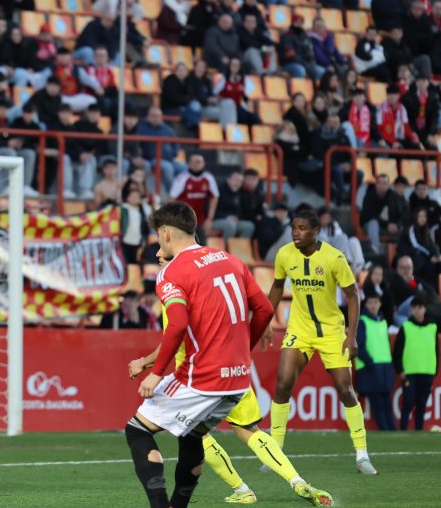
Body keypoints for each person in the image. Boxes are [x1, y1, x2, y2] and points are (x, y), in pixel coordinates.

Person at [125, 202, 326, 508]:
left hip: (201, 375)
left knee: (137, 430)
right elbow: (265, 309)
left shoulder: (172, 273)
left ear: (165, 234)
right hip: (238, 378)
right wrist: (244, 349)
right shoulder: (231, 260)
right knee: (195, 434)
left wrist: (155, 372)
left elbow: (176, 326)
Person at [267, 209, 376, 474]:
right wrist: (265, 322)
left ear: (315, 232)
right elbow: (278, 286)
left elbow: (353, 295)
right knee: (282, 384)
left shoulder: (334, 257)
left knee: (345, 388)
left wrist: (351, 335)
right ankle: (274, 453)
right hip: (300, 329)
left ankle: (362, 455)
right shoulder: (285, 254)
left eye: (302, 228)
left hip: (331, 332)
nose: (296, 233)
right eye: (294, 228)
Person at [393, 297, 438, 431]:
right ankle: (403, 429)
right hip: (409, 371)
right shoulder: (406, 327)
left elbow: (436, 350)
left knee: (422, 403)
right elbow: (397, 350)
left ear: (425, 309)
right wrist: (400, 369)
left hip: (427, 371)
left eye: (420, 307)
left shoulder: (432, 327)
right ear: (411, 310)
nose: (417, 311)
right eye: (415, 308)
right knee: (408, 401)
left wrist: (435, 369)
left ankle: (419, 430)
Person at [355, 294, 395, 432]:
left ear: (380, 304)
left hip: (384, 368)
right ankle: (385, 431)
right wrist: (370, 362)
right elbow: (358, 346)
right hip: (370, 367)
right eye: (370, 302)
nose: (373, 305)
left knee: (387, 402)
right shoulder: (362, 322)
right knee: (377, 403)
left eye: (375, 302)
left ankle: (392, 431)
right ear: (366, 305)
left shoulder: (383, 322)